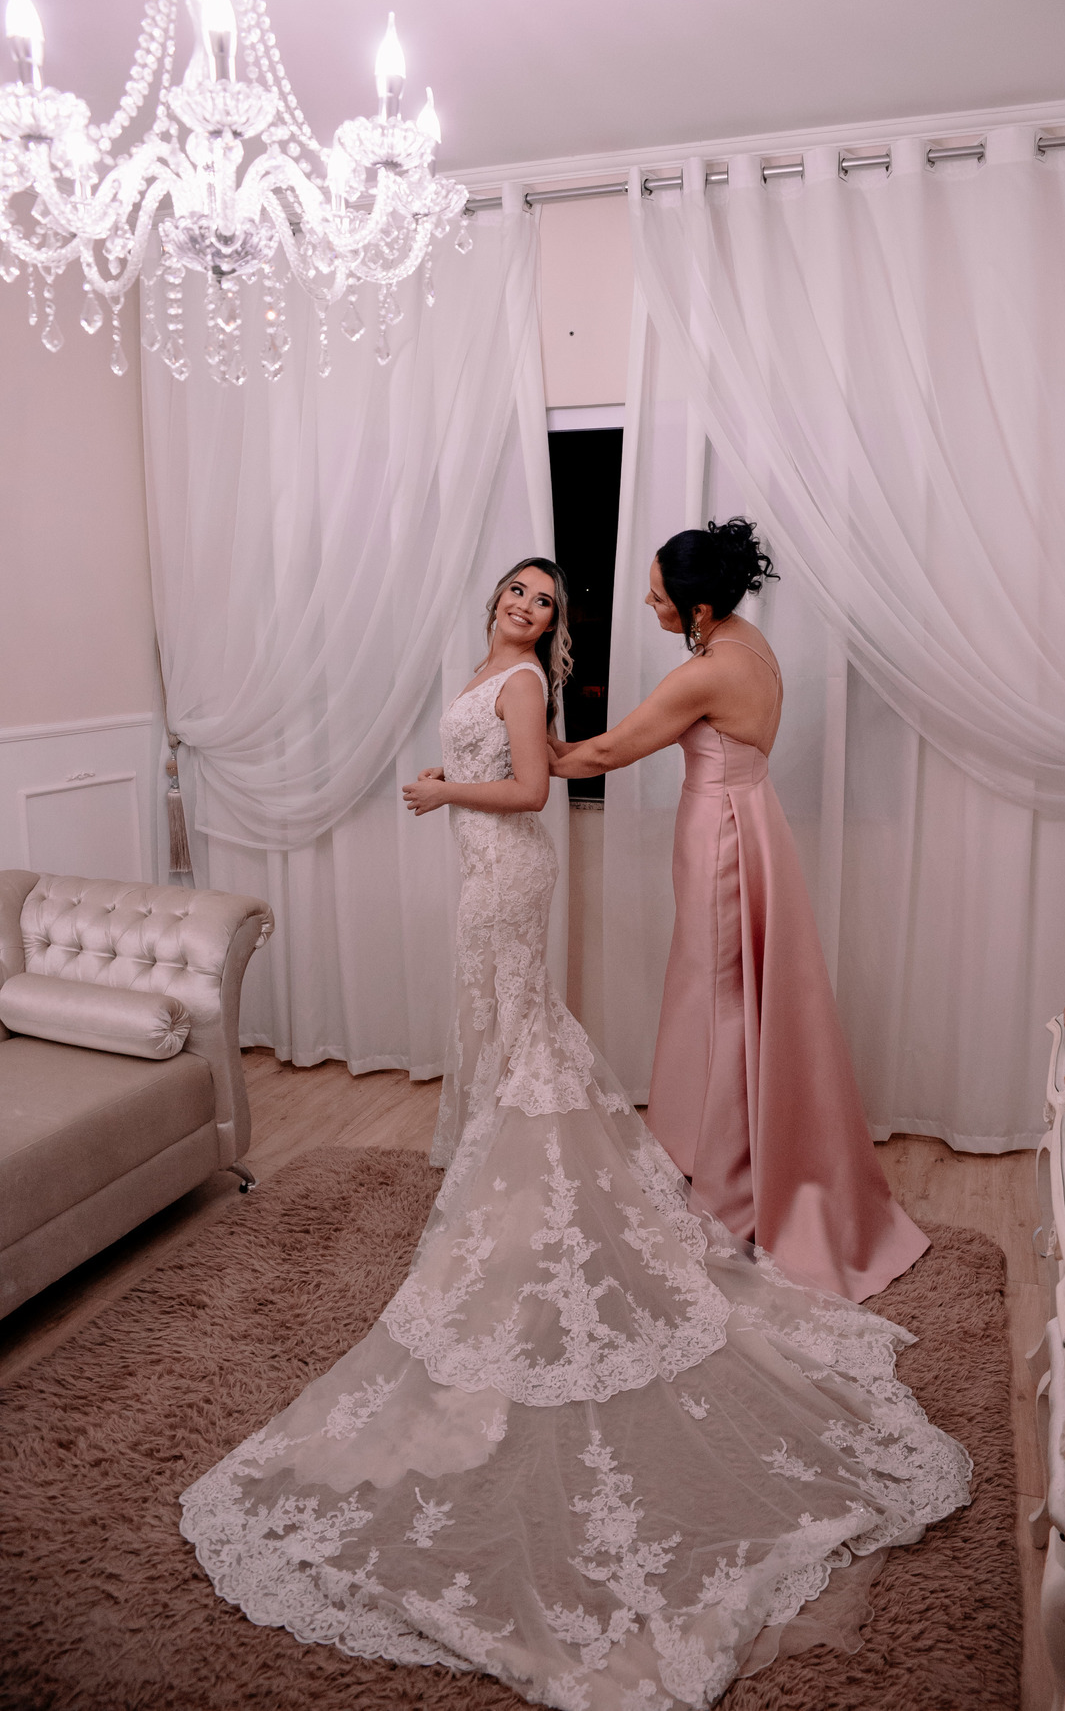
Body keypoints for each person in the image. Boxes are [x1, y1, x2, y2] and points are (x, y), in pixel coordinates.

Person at [180, 557, 969, 1711]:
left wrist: (463, 785)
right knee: (547, 1023)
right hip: (600, 848)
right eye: (521, 591)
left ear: (692, 599)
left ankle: (590, 1183)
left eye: (553, 600)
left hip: (587, 853)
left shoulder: (575, 681)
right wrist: (493, 771)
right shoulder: (682, 652)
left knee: (575, 1024)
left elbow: (561, 773)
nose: (541, 606)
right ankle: (555, 1163)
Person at [550, 519, 927, 1302]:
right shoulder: (749, 642)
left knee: (718, 1000)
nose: (649, 606)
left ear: (697, 608)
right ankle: (724, 1160)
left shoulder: (707, 672)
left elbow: (610, 751)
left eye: (659, 597)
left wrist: (528, 756)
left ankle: (723, 1190)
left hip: (722, 834)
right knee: (727, 996)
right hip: (750, 821)